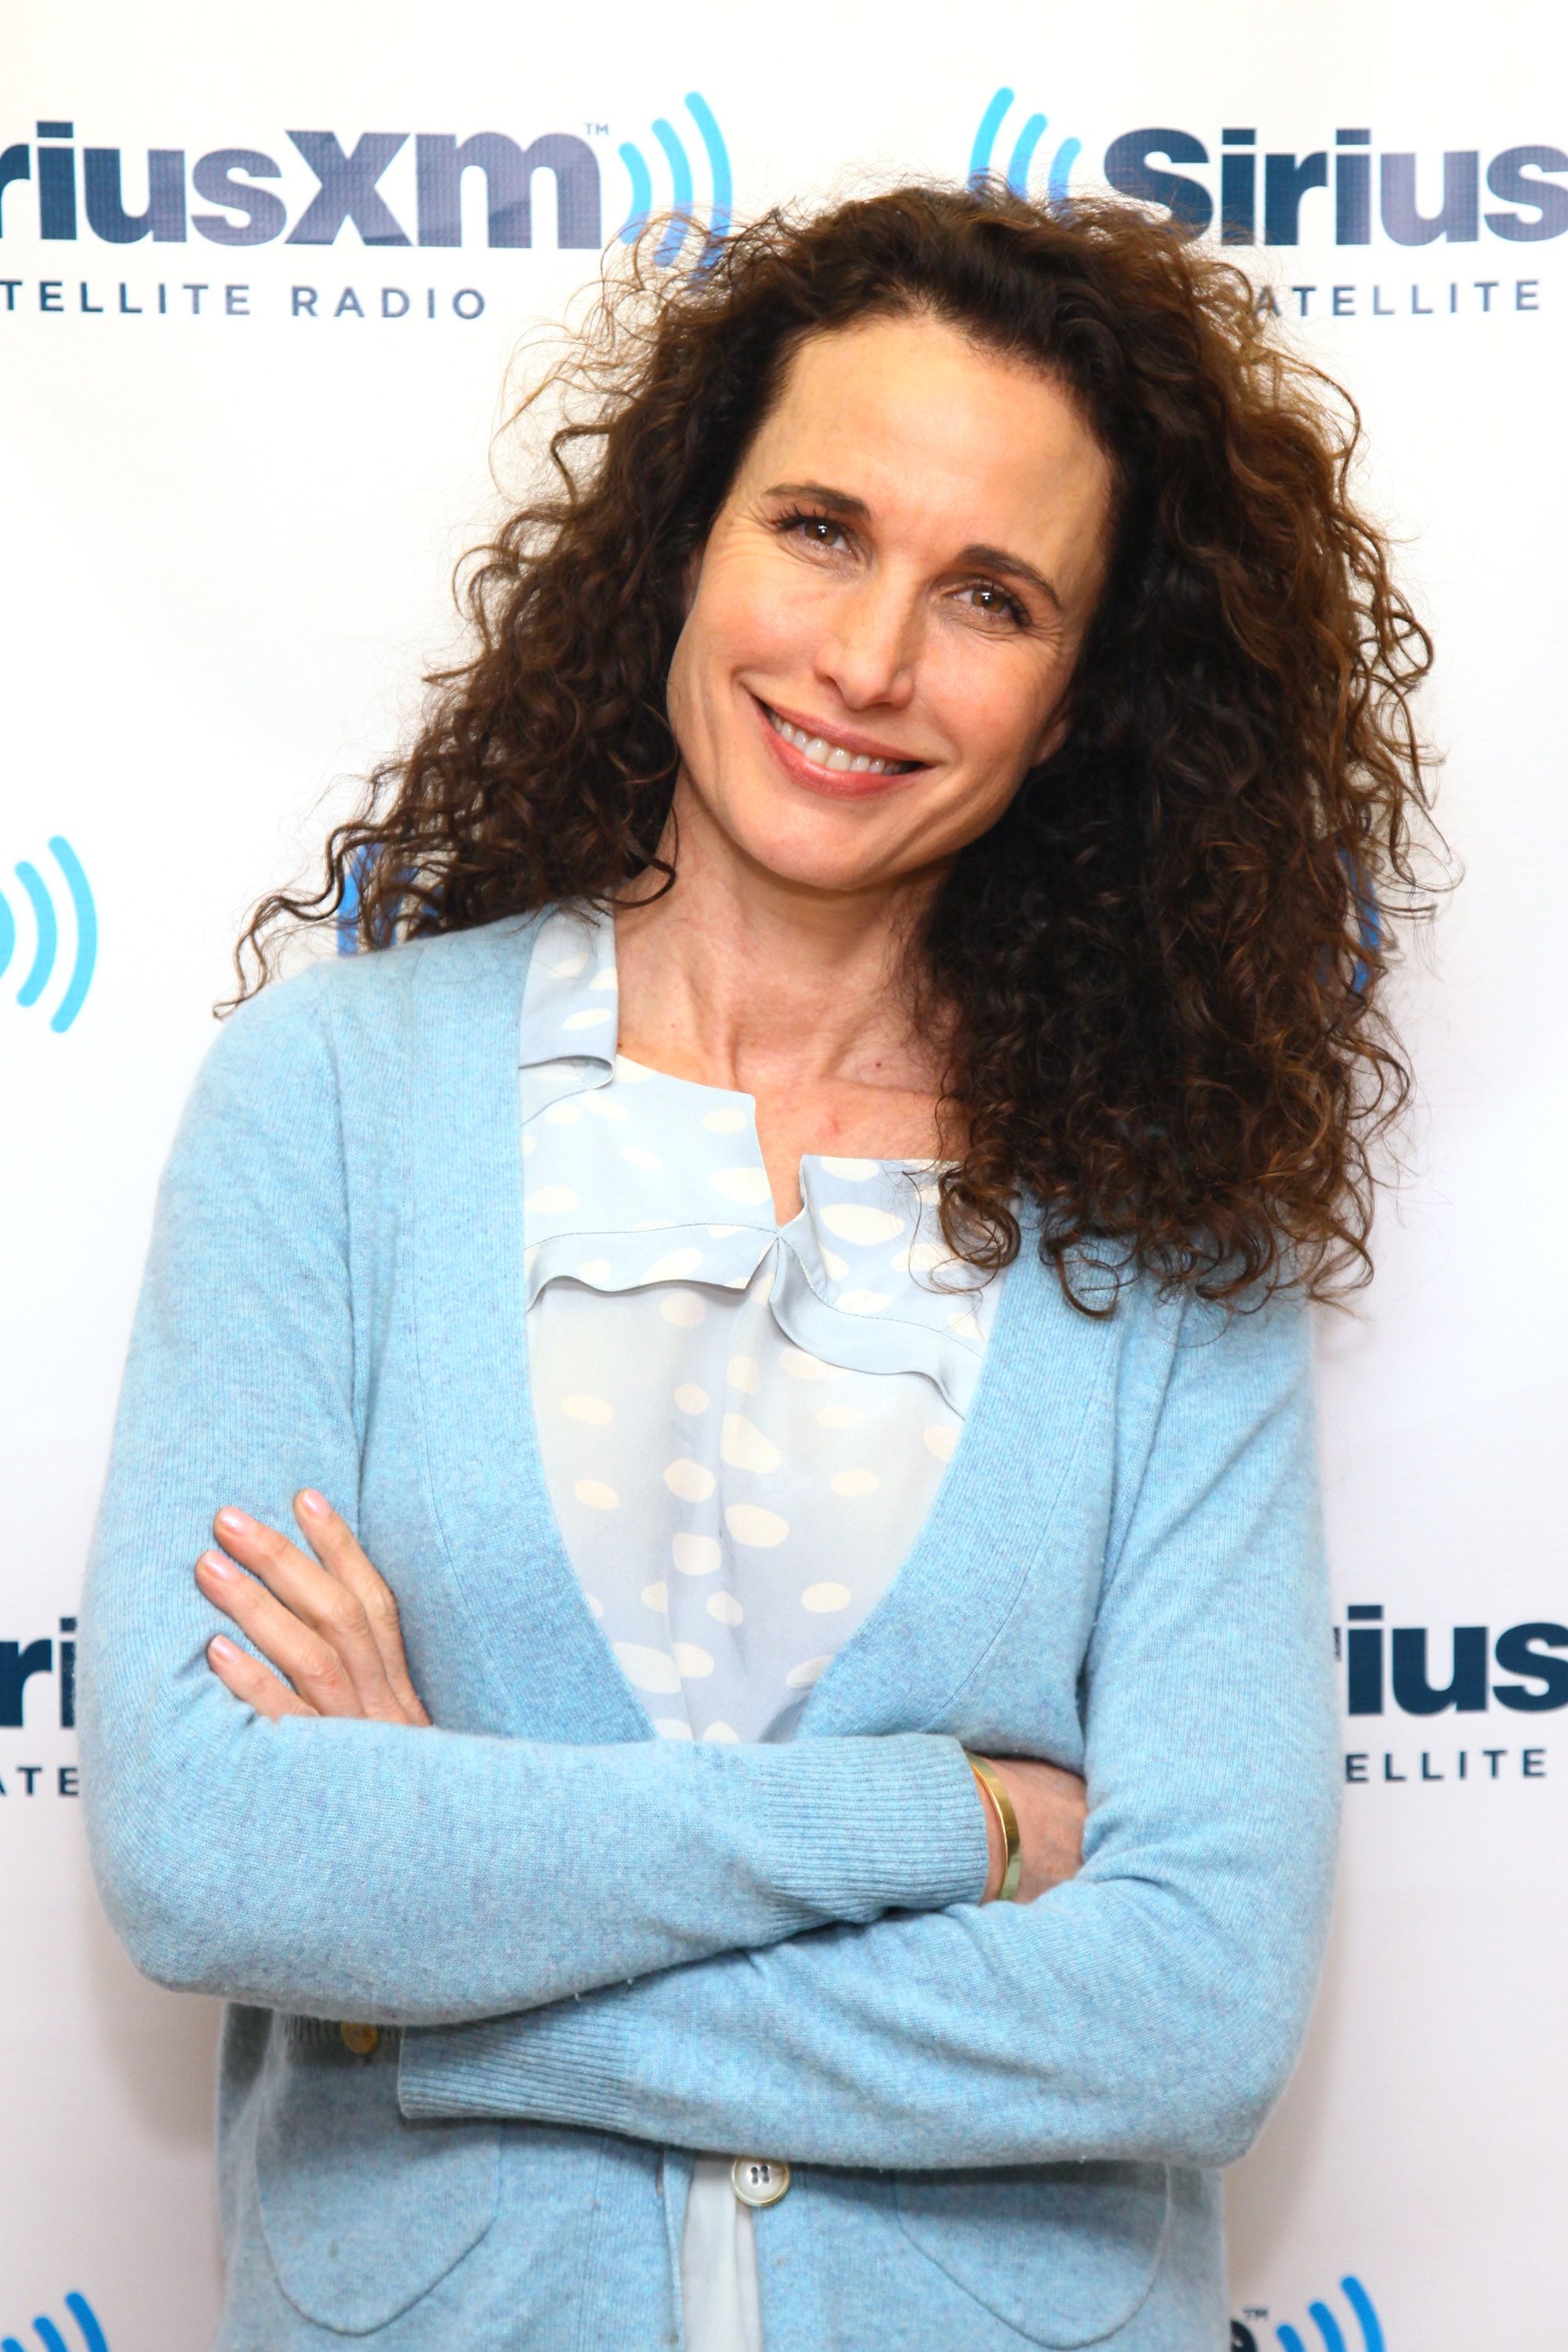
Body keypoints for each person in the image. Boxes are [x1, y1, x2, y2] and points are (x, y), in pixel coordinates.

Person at [80, 181, 1434, 2351]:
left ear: (1082, 699)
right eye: (819, 529)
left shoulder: (1164, 1224)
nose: (870, 661)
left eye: (990, 595)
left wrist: (442, 1968)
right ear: (689, 539)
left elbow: (1188, 2010)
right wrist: (937, 1822)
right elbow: (214, 1851)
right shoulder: (333, 1101)